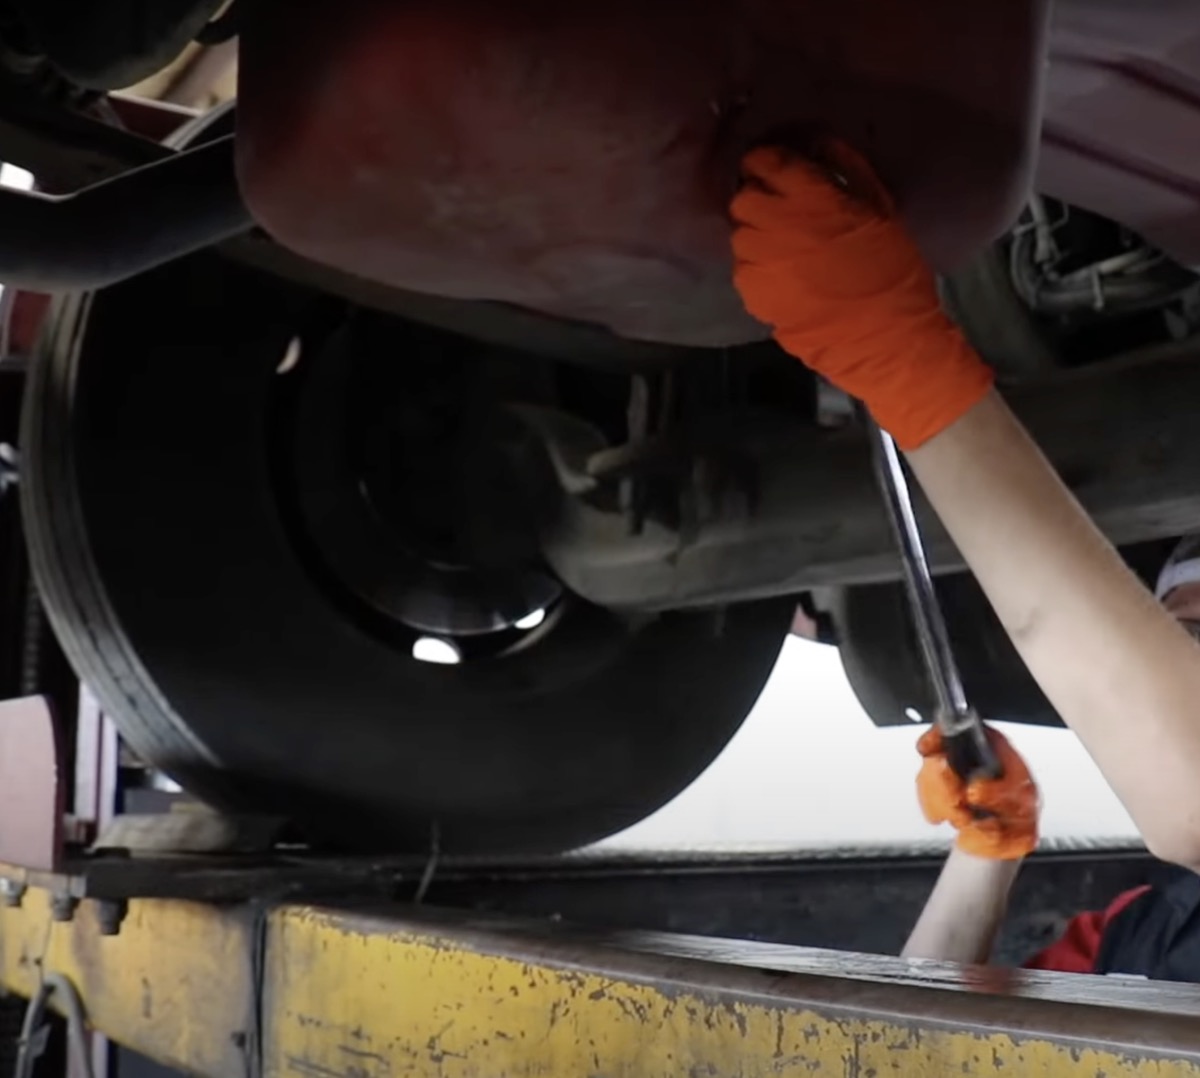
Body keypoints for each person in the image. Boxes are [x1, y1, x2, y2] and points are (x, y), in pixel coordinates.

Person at [727, 140, 1200, 974]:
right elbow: (947, 1041)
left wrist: (898, 358)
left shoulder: (1147, 932)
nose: (1186, 636)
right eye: (1181, 622)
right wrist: (994, 846)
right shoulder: (1141, 933)